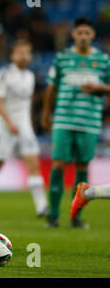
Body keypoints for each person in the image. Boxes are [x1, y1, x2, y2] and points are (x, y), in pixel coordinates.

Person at [41, 17, 110, 228]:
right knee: (59, 164)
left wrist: (100, 88)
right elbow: (51, 87)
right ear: (73, 35)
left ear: (92, 35)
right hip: (63, 119)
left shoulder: (103, 60)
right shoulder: (62, 58)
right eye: (79, 32)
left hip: (89, 121)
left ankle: (75, 217)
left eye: (86, 33)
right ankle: (53, 215)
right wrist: (46, 113)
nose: (83, 37)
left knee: (82, 167)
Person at [0, 40, 48, 219]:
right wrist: (9, 123)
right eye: (20, 52)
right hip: (4, 128)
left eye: (27, 53)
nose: (24, 56)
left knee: (33, 163)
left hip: (24, 127)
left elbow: (27, 105)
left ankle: (42, 207)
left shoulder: (30, 77)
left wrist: (28, 124)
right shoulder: (4, 74)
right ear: (12, 55)